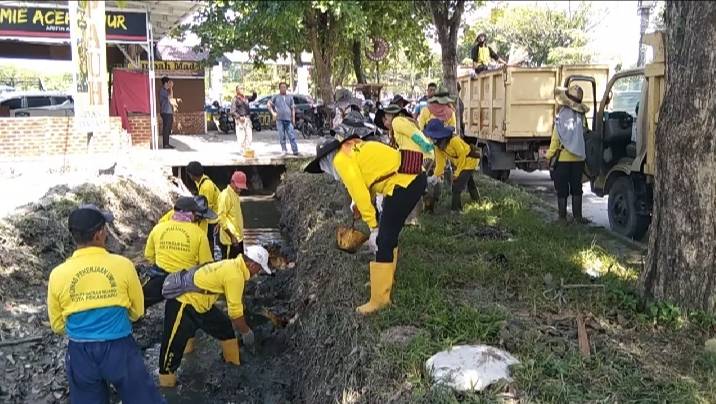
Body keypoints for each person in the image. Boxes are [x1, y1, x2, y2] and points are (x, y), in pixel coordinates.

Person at [47, 205, 165, 403]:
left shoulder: (58, 274)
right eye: (105, 228)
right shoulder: (123, 265)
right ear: (99, 234)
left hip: (80, 353)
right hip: (119, 348)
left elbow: (57, 325)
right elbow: (137, 311)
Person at [305, 135, 427, 315]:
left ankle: (379, 300)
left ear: (325, 161)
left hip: (405, 183)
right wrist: (361, 207)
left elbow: (360, 192)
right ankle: (384, 281)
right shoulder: (352, 148)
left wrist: (373, 227)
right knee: (388, 236)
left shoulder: (340, 160)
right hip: (411, 179)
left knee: (383, 239)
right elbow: (371, 176)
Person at [157, 245, 272, 387]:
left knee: (225, 329)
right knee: (171, 350)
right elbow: (235, 313)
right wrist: (246, 332)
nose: (258, 272)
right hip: (183, 303)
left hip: (202, 305)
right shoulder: (235, 275)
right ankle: (167, 387)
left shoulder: (232, 264)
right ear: (252, 265)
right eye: (259, 269)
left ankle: (233, 367)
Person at [143, 197, 213, 308]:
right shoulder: (199, 234)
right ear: (191, 214)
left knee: (143, 299)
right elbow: (206, 264)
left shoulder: (158, 228)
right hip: (184, 283)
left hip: (160, 279)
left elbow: (149, 255)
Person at [546, 84, 589, 223]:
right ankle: (578, 217)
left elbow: (555, 139)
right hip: (579, 159)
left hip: (563, 159)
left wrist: (549, 156)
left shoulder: (561, 117)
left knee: (562, 189)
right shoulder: (582, 117)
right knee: (577, 188)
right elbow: (585, 134)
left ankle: (562, 218)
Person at [424, 119, 480, 211]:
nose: (432, 140)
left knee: (456, 185)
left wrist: (457, 174)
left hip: (469, 161)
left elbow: (462, 156)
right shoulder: (438, 148)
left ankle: (456, 210)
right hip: (461, 164)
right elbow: (440, 164)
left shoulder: (454, 140)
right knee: (470, 182)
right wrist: (435, 176)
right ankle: (477, 200)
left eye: (433, 137)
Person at [186, 161, 221, 254]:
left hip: (214, 218)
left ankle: (210, 257)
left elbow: (205, 208)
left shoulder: (206, 186)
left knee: (210, 240)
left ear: (192, 175)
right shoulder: (201, 181)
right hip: (211, 214)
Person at [217, 171, 248, 259]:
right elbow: (221, 217)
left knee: (239, 263)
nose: (240, 189)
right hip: (230, 240)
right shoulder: (225, 195)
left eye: (241, 187)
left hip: (238, 237)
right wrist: (232, 237)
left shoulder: (235, 194)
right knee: (228, 266)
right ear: (232, 182)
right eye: (238, 186)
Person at [267, 82, 299, 155]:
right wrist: (273, 113)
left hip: (288, 119)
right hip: (279, 119)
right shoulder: (276, 97)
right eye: (282, 87)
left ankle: (295, 150)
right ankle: (284, 149)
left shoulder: (290, 97)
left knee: (291, 135)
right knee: (282, 135)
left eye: (284, 87)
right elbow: (268, 104)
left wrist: (293, 118)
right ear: (279, 88)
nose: (283, 89)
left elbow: (293, 108)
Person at [231, 85, 253, 157]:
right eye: (241, 88)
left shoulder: (246, 98)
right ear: (237, 90)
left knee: (249, 135)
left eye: (243, 88)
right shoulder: (235, 99)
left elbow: (253, 98)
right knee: (241, 136)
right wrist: (239, 117)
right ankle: (242, 150)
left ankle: (248, 149)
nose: (243, 90)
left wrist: (254, 92)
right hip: (240, 119)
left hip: (247, 118)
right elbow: (232, 111)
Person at [159, 76, 179, 149]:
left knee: (168, 128)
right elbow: (170, 97)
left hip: (168, 112)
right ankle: (165, 144)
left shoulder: (166, 91)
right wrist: (171, 88)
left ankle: (167, 143)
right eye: (168, 83)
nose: (169, 84)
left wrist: (170, 88)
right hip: (165, 112)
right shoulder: (162, 91)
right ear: (165, 83)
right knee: (166, 128)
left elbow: (171, 97)